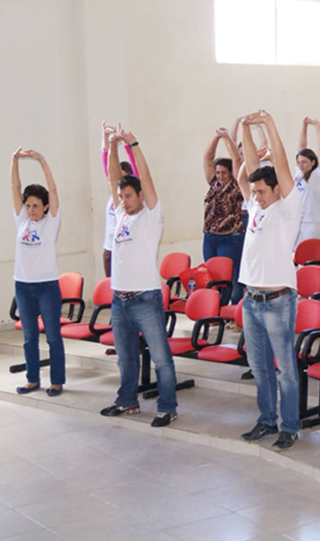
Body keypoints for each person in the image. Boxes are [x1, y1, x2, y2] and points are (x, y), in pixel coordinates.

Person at [100, 127, 178, 427]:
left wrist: (132, 144)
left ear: (141, 195)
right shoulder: (120, 213)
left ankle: (167, 406)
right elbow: (111, 178)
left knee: (160, 358)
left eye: (129, 195)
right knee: (126, 357)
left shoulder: (151, 215)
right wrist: (111, 147)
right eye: (121, 195)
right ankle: (127, 400)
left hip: (145, 298)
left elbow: (145, 176)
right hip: (119, 298)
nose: (124, 199)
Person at [234, 111, 303, 451]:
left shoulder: (288, 208)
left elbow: (281, 163)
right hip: (252, 299)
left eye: (262, 191)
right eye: (255, 191)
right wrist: (246, 127)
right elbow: (249, 164)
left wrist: (270, 126)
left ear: (277, 190)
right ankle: (266, 419)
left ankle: (289, 426)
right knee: (259, 367)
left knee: (285, 370)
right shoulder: (258, 205)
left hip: (278, 300)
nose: (256, 196)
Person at [11, 148, 65, 397]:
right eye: (28, 204)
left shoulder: (51, 221)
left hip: (46, 286)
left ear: (45, 207)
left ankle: (57, 381)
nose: (31, 209)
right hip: (23, 285)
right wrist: (14, 161)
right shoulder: (22, 220)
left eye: (36, 205)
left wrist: (43, 161)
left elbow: (53, 192)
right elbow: (14, 188)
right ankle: (33, 379)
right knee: (29, 336)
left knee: (53, 336)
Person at [202, 127, 245, 304]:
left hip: (230, 237)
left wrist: (227, 139)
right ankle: (217, 311)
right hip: (210, 236)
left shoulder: (236, 184)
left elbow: (235, 158)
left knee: (233, 277)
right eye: (218, 172)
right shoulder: (213, 184)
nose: (220, 176)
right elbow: (207, 159)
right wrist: (215, 138)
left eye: (223, 173)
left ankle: (236, 313)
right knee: (214, 276)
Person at [101, 122, 138, 279]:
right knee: (110, 288)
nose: (120, 182)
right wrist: (106, 140)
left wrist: (127, 145)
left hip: (128, 247)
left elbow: (137, 169)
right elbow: (107, 164)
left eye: (124, 178)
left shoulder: (133, 198)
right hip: (110, 248)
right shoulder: (114, 197)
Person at [293, 117, 320, 246]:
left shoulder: (318, 175)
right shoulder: (298, 174)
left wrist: (318, 127)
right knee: (297, 260)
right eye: (299, 162)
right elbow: (301, 146)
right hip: (297, 223)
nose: (301, 165)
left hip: (312, 224)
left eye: (304, 162)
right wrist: (304, 125)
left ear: (313, 162)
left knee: (310, 260)